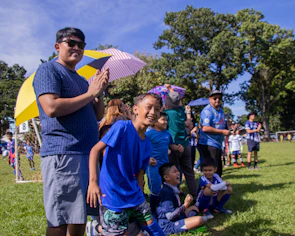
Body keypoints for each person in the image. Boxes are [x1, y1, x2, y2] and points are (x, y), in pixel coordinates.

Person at [33, 27, 109, 236]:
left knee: (80, 215)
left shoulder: (81, 80)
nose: (77, 47)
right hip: (64, 154)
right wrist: (90, 93)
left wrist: (98, 93)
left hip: (87, 155)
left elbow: (96, 115)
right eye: (71, 43)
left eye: (81, 45)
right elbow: (51, 107)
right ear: (57, 46)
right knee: (60, 219)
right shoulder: (49, 70)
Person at [87, 93, 164, 236]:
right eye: (149, 107)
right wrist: (93, 183)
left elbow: (140, 175)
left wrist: (141, 199)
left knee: (154, 229)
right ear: (135, 109)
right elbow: (95, 150)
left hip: (134, 195)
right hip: (112, 195)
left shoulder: (147, 144)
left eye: (157, 109)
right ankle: (97, 228)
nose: (153, 112)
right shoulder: (121, 127)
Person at [146, 112, 184, 215]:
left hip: (165, 165)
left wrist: (177, 147)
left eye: (166, 120)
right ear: (155, 122)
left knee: (166, 186)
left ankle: (167, 207)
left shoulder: (167, 133)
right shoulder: (148, 134)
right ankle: (153, 212)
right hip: (153, 166)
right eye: (163, 119)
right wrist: (148, 159)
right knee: (155, 189)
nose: (166, 121)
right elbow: (140, 148)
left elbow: (171, 146)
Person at [164, 84, 198, 199]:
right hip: (186, 144)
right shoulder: (181, 112)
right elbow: (188, 124)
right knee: (188, 171)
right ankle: (194, 193)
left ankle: (176, 192)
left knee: (174, 171)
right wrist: (170, 89)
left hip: (174, 145)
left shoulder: (167, 114)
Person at [156, 163, 208, 235]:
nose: (178, 173)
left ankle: (187, 223)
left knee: (194, 208)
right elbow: (169, 217)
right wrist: (185, 205)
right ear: (167, 177)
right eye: (175, 172)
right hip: (167, 225)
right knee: (200, 220)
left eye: (178, 171)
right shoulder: (166, 192)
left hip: (176, 216)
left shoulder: (171, 188)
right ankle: (185, 226)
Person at [198, 90, 230, 177]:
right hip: (208, 143)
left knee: (218, 168)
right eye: (214, 98)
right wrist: (222, 132)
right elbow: (205, 128)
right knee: (212, 169)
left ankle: (217, 187)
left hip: (217, 143)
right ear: (209, 99)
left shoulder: (221, 111)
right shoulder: (207, 111)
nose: (217, 100)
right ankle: (209, 188)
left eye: (219, 98)